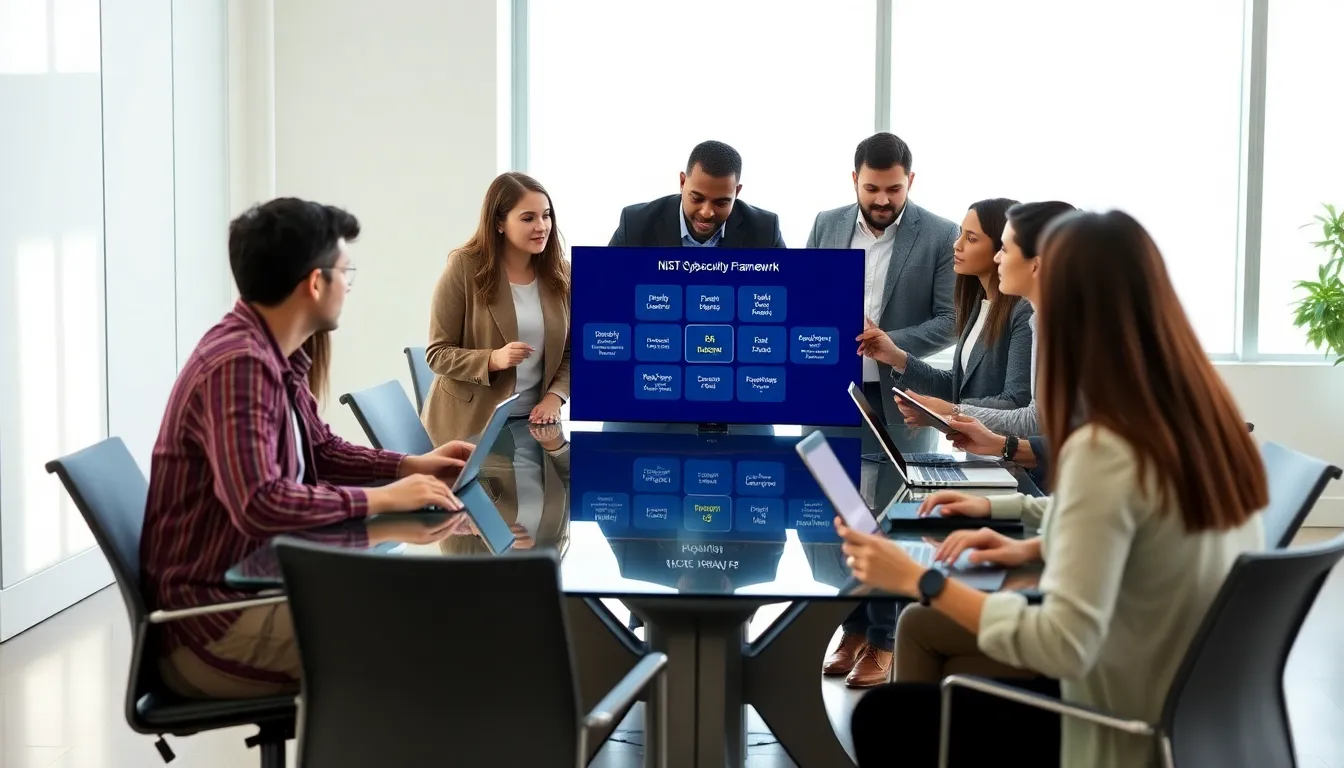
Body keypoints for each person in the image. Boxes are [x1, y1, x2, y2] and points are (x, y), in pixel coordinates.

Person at [840, 209, 1268, 767]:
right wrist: (1034, 544)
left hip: (1114, 717)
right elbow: (1142, 534)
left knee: (885, 714)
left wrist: (919, 579)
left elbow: (1061, 643)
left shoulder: (1106, 448)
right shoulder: (1197, 418)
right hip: (1182, 701)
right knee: (923, 627)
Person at [142, 197, 477, 699]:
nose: (348, 286)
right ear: (315, 283)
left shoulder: (274, 352)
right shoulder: (239, 364)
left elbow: (318, 451)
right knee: (433, 647)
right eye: (346, 273)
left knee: (434, 619)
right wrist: (385, 498)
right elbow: (260, 503)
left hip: (261, 586)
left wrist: (411, 464)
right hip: (212, 622)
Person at [806, 132, 960, 426]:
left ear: (910, 181)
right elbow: (806, 298)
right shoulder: (824, 224)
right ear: (854, 179)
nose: (882, 200)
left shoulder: (942, 235)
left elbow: (952, 320)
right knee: (823, 472)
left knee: (900, 474)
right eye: (871, 188)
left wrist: (890, 346)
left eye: (894, 189)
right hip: (825, 390)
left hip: (900, 397)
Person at [423, 172, 572, 444]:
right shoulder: (464, 267)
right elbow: (437, 353)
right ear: (500, 223)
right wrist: (492, 360)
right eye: (528, 218)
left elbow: (571, 352)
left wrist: (555, 397)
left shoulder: (561, 273)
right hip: (467, 428)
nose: (542, 226)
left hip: (534, 426)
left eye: (546, 215)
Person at [857, 197, 1033, 410]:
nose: (956, 245)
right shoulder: (979, 305)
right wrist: (898, 358)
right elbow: (956, 387)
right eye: (961, 234)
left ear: (1001, 247)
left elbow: (1016, 402)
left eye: (971, 239)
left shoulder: (1024, 313)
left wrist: (948, 413)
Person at [608, 140, 786, 248]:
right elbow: (603, 289)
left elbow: (787, 300)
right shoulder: (635, 225)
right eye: (697, 198)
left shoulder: (765, 231)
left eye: (721, 202)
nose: (706, 212)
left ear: (737, 192)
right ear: (682, 182)